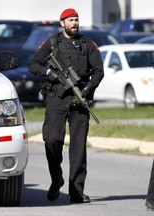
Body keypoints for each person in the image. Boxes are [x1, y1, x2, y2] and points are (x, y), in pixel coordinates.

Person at [28, 8, 104, 203]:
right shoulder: (52, 43)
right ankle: (57, 179)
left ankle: (76, 191)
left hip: (80, 99)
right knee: (52, 139)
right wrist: (49, 74)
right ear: (62, 23)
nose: (74, 23)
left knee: (78, 147)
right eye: (70, 20)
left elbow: (98, 72)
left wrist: (87, 89)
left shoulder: (88, 44)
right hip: (57, 98)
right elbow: (33, 65)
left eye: (76, 20)